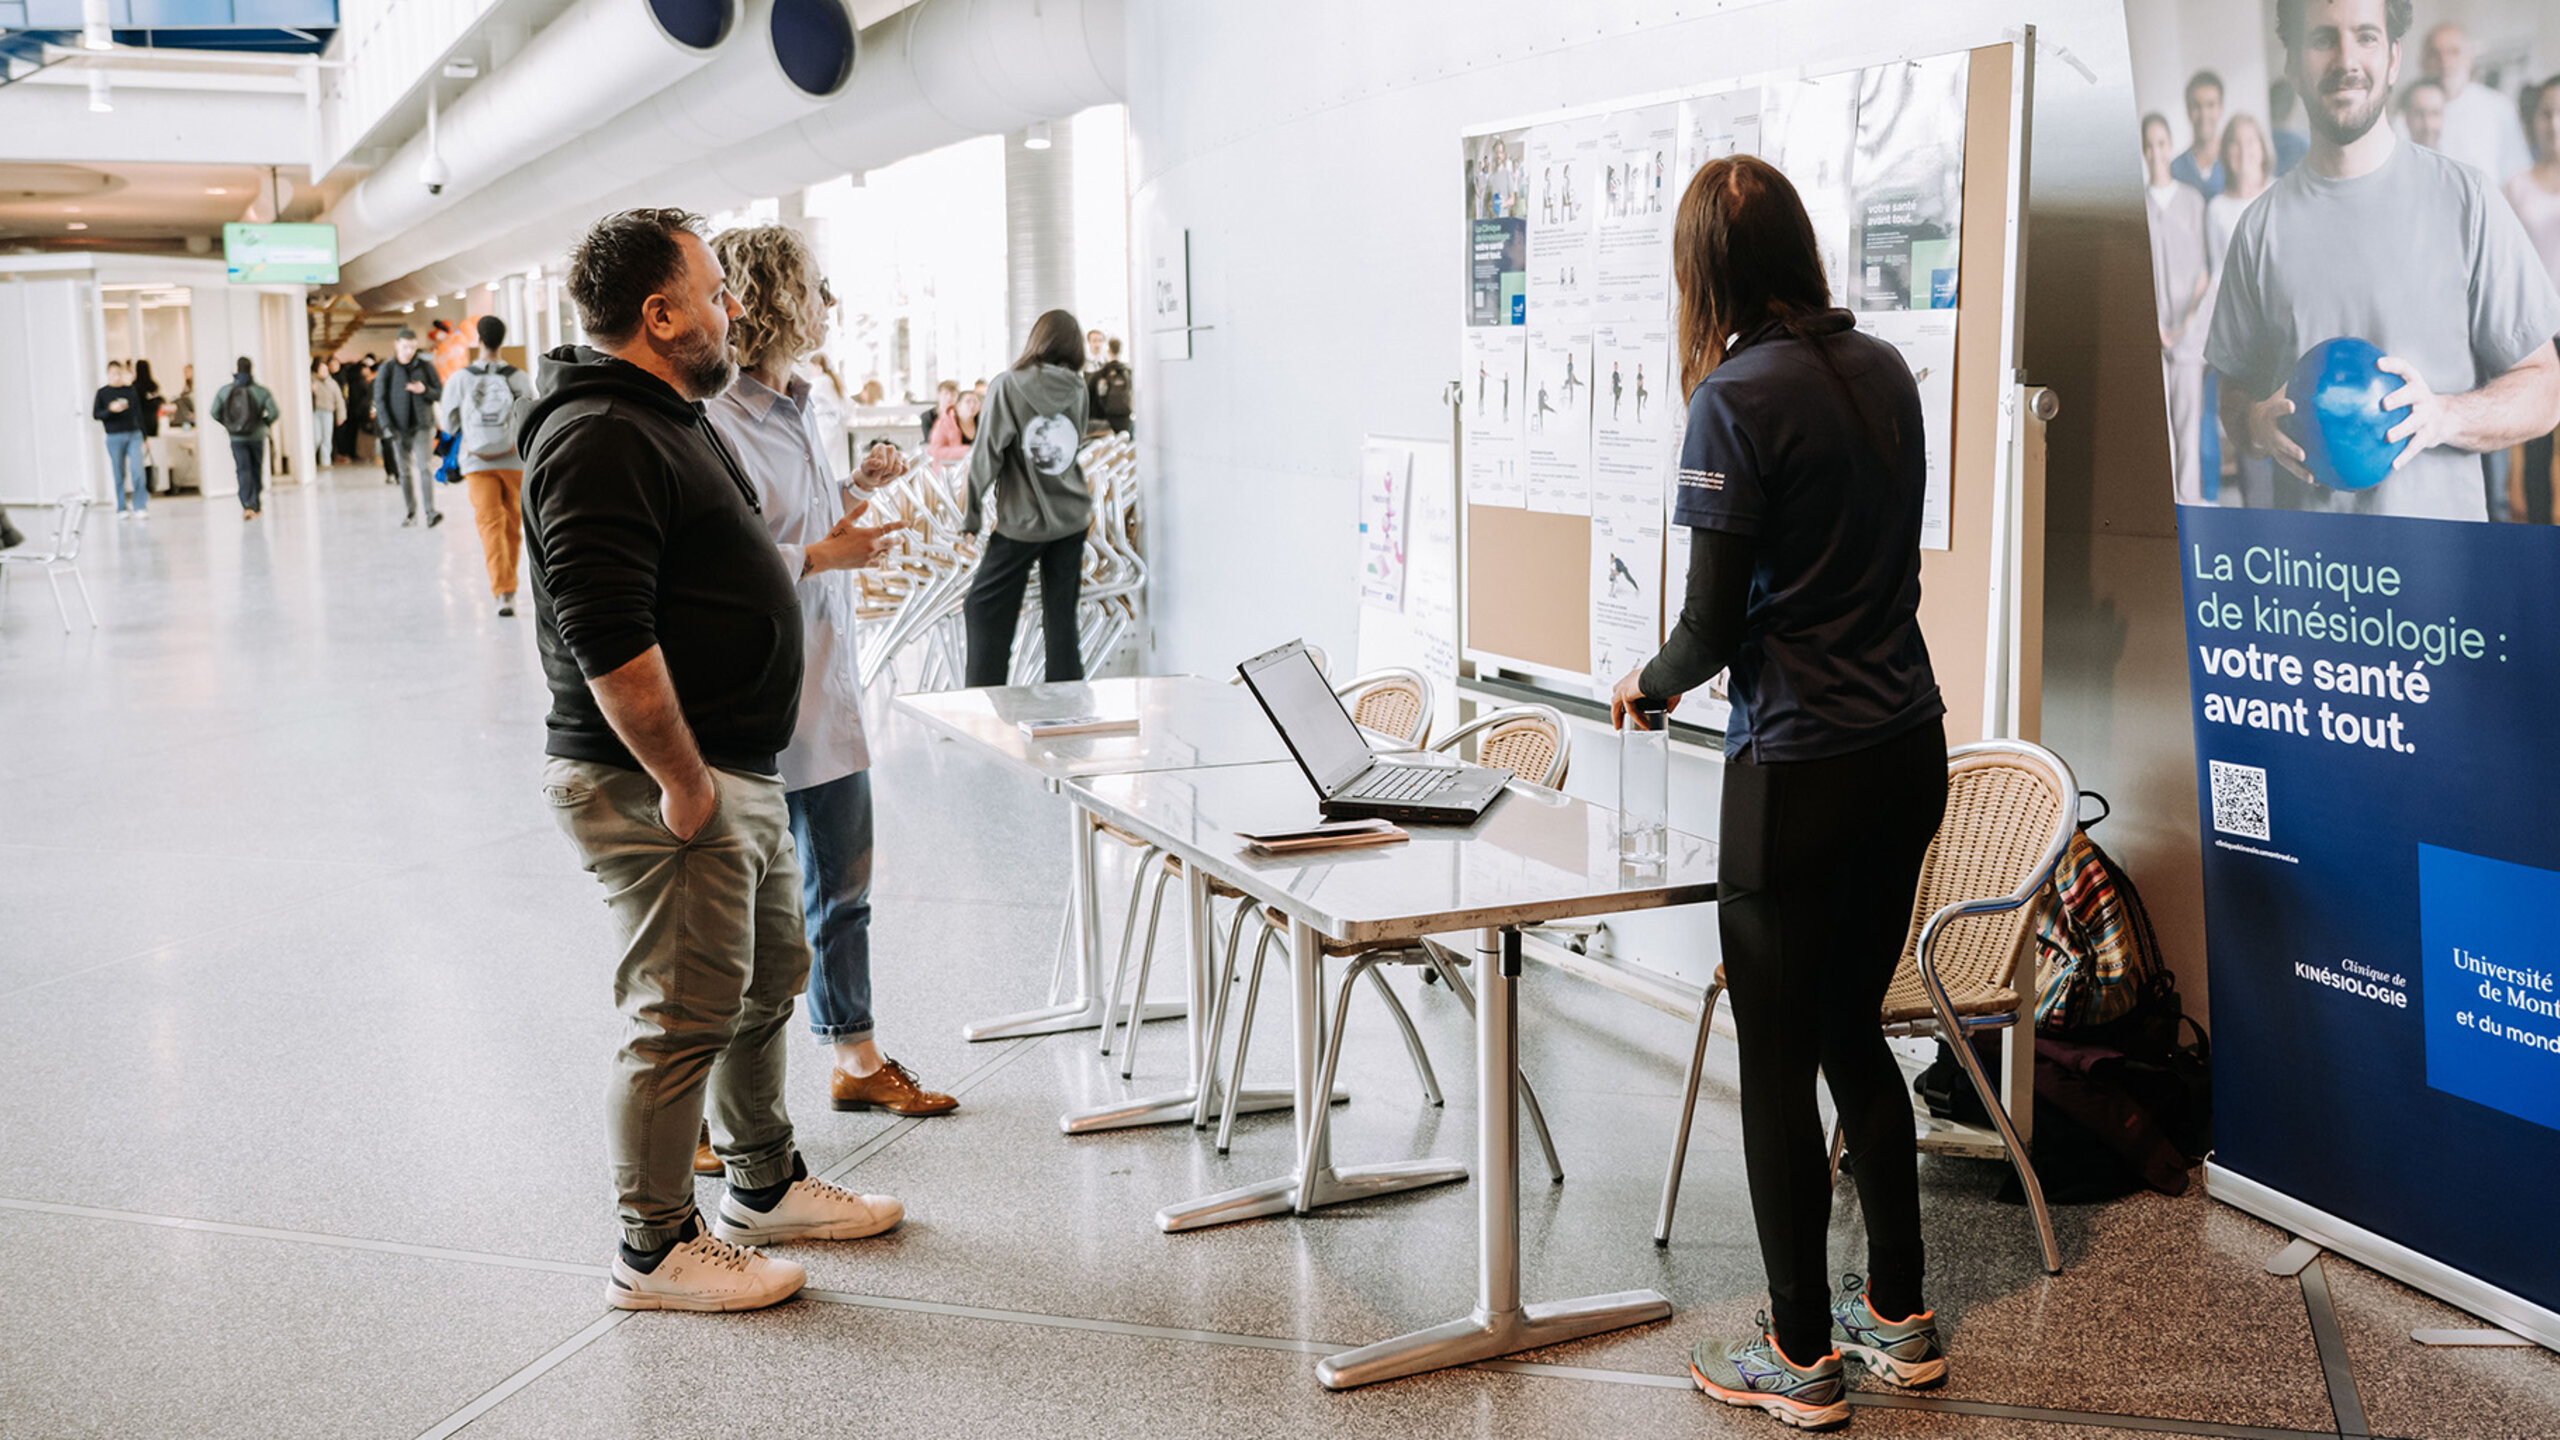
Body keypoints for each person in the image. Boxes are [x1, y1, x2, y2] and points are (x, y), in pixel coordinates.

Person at [1609, 154, 1947, 1433]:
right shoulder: (1886, 373)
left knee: (1775, 1059)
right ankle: (1899, 1319)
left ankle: (1798, 1351)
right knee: (1855, 1025)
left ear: (1706, 272)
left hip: (1796, 769)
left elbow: (1704, 627)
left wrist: (1645, 683)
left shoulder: (1734, 397)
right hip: (1907, 751)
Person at [522, 207, 901, 1315]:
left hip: (738, 762)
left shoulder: (667, 414)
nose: (732, 306)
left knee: (767, 973)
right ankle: (653, 1249)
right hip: (656, 777)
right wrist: (684, 778)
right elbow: (606, 635)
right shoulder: (598, 432)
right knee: (681, 1008)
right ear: (660, 312)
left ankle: (763, 1182)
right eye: (713, 290)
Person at [707, 223, 960, 1123]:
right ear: (771, 298)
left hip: (831, 695)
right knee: (743, 917)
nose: (828, 303)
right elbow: (717, 569)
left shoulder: (801, 406)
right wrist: (824, 550)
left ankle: (854, 1054)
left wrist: (854, 493)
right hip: (763, 703)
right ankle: (713, 1105)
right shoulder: (719, 421)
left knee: (844, 892)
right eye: (815, 286)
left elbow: (802, 526)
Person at [2210, 0, 2560, 522]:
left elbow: (2545, 389)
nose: (2346, 58)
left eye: (2367, 37)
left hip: (2443, 570)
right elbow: (2233, 391)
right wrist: (2256, 425)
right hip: (2313, 574)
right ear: (2291, 62)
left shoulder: (2469, 201)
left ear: (2394, 57)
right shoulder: (2259, 227)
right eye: (2324, 38)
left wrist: (2443, 417)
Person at [962, 308, 1093, 687]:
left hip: (1023, 524)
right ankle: (1068, 713)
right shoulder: (1078, 388)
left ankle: (985, 707)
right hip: (1071, 519)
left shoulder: (1008, 385)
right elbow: (1071, 448)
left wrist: (971, 517)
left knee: (983, 607)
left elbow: (986, 455)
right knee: (1061, 622)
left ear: (1037, 340)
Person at [437, 315, 534, 616]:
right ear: (502, 341)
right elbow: (531, 417)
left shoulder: (460, 379)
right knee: (512, 525)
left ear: (477, 340)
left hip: (476, 461)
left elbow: (450, 424)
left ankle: (502, 592)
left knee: (490, 524)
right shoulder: (517, 377)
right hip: (514, 459)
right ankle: (510, 584)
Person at [2207, 115, 2280, 507]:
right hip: (2241, 333)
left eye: (2251, 142)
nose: (2244, 151)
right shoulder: (2217, 207)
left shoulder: (2280, 193)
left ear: (2263, 148)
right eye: (2234, 143)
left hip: (2281, 329)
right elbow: (2217, 272)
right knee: (2249, 423)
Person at [2145, 112, 2212, 507]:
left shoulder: (2192, 201)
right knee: (2159, 430)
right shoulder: (2140, 205)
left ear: (2171, 146)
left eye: (2162, 143)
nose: (2156, 152)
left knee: (2188, 425)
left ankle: (2188, 503)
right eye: (2149, 145)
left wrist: (2183, 326)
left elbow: (2204, 272)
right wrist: (2156, 327)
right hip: (2151, 334)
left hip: (2188, 336)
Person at [2507, 80, 2560, 524]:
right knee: (2538, 440)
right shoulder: (2517, 187)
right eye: (2546, 113)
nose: (2555, 124)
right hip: (2540, 331)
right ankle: (2541, 539)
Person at [2420, 23, 2530, 184]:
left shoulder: (2499, 106)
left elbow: (2517, 172)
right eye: (2435, 53)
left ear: (2469, 58)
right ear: (2423, 61)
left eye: (2454, 52)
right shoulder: (2405, 111)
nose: (2444, 61)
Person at [374, 328, 446, 527]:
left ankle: (430, 512)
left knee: (424, 468)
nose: (409, 351)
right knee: (404, 472)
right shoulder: (387, 369)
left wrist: (424, 390)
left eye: (413, 347)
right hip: (398, 427)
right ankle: (410, 513)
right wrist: (387, 426)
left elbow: (439, 392)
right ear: (397, 345)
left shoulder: (425, 366)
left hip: (422, 425)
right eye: (405, 347)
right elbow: (379, 399)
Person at [210, 357, 279, 521]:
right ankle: (256, 504)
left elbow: (214, 412)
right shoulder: (261, 391)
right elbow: (274, 412)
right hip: (257, 436)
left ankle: (247, 504)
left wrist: (229, 425)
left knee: (243, 469)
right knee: (256, 468)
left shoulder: (225, 391)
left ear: (237, 369)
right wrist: (264, 424)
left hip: (236, 438)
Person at [93, 361, 148, 518]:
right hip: (114, 436)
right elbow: (96, 415)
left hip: (134, 434)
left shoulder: (130, 391)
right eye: (113, 373)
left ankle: (140, 506)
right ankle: (121, 507)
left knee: (138, 471)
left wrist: (145, 437)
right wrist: (110, 410)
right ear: (108, 374)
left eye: (119, 373)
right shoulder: (102, 393)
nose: (116, 377)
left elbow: (138, 413)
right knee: (119, 473)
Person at [2174, 71, 2228, 198]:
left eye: (2211, 105)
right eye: (2197, 106)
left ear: (2220, 109)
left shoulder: (2234, 161)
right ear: (2188, 110)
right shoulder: (2175, 170)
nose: (2204, 114)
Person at [131, 358, 164, 496]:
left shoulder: (135, 386)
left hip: (141, 423)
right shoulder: (153, 386)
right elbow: (159, 401)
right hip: (153, 421)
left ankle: (143, 485)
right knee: (154, 451)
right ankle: (154, 483)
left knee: (142, 455)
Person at [1090, 337, 1133, 437]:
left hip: (1106, 421)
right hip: (1126, 419)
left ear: (1108, 350)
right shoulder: (1128, 372)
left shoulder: (1101, 373)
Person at [310, 357, 344, 475]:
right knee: (316, 437)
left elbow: (339, 400)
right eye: (322, 369)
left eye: (326, 370)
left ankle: (326, 462)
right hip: (315, 412)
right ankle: (310, 461)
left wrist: (341, 416)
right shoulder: (312, 381)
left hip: (328, 412)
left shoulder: (332, 383)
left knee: (327, 438)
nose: (324, 372)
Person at [927, 380, 969, 462]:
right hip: (941, 460)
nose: (949, 397)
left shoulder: (961, 416)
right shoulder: (929, 417)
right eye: (946, 394)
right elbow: (932, 447)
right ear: (939, 395)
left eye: (953, 394)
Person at [2402, 77, 2448, 150]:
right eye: (2419, 114)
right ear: (2407, 118)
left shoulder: (2459, 157)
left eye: (2434, 113)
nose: (2428, 124)